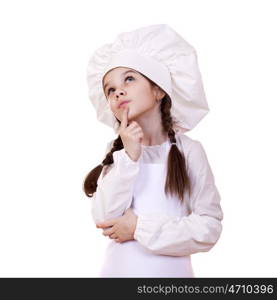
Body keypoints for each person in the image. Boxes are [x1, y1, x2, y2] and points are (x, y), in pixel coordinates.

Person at [83, 24, 223, 277]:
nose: (119, 92)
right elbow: (105, 217)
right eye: (110, 89)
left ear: (159, 90)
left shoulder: (189, 151)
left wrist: (139, 228)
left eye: (129, 79)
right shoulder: (118, 154)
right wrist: (130, 155)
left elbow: (209, 227)